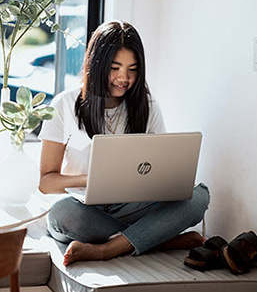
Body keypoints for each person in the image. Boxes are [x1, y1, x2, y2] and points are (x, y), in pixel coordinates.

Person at [39, 21, 210, 266]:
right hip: (85, 208)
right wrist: (92, 179)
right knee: (61, 214)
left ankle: (108, 249)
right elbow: (46, 182)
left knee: (199, 195)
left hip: (131, 206)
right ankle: (157, 238)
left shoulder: (147, 106)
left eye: (132, 69)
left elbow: (158, 167)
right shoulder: (64, 105)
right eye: (115, 68)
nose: (123, 78)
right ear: (96, 66)